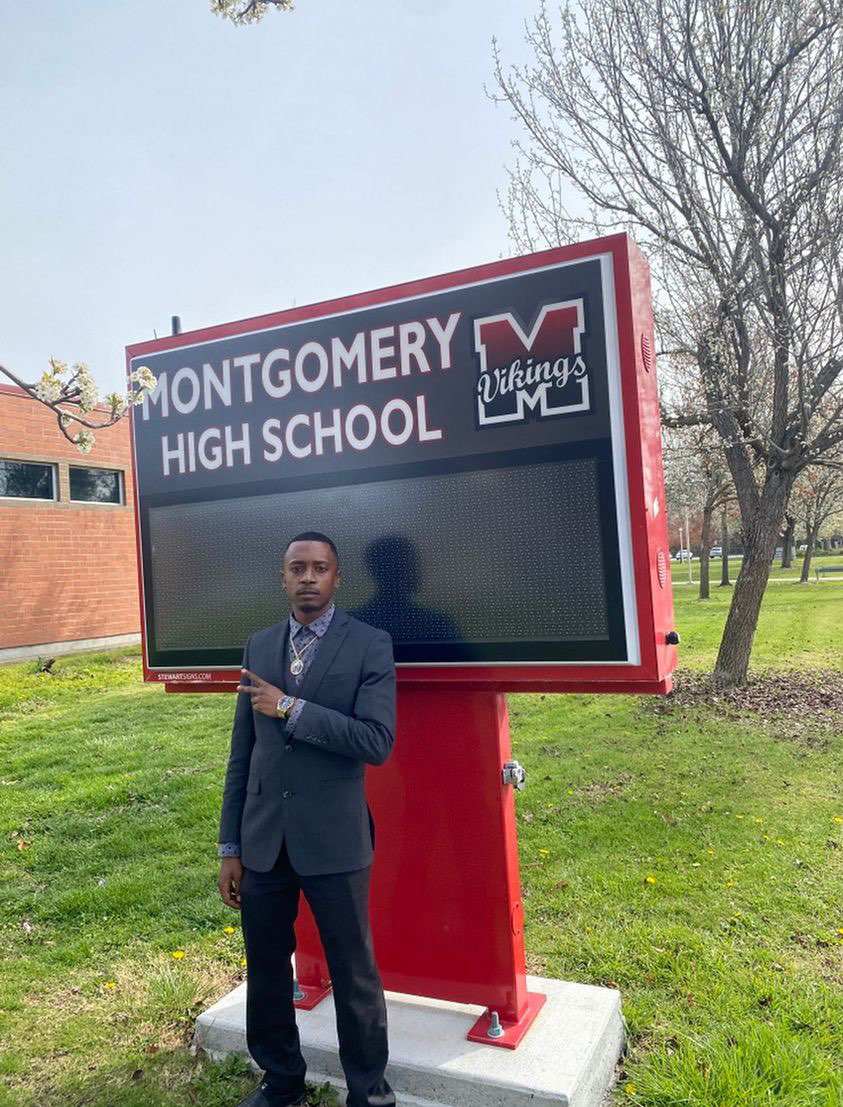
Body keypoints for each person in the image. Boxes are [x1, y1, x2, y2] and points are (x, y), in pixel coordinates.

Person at [217, 531, 397, 1107]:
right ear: (284, 577)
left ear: (337, 578)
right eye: (298, 568)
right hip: (264, 841)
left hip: (335, 840)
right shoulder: (260, 645)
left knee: (354, 973)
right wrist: (229, 846)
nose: (309, 577)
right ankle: (281, 1080)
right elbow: (243, 753)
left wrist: (291, 707)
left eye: (320, 568)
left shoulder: (369, 644)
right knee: (267, 970)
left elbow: (376, 741)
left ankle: (369, 1094)